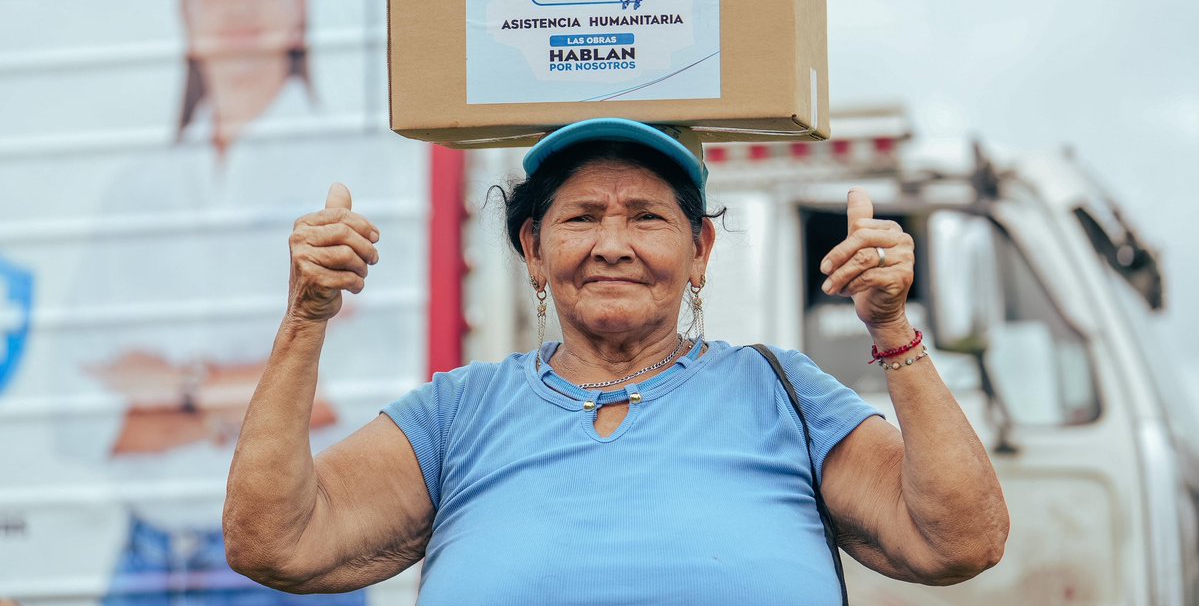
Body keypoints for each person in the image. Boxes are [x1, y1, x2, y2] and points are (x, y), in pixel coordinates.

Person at [224, 118, 1010, 604]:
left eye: (645, 216)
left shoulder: (784, 398)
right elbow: (274, 542)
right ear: (533, 251)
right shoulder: (456, 414)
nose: (611, 244)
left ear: (699, 250)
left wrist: (892, 328)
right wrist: (305, 318)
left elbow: (958, 541)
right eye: (580, 217)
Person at [60, 0, 363, 606]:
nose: (239, 1)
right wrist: (262, 393)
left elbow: (355, 398)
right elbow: (71, 415)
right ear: (184, 9)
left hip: (291, 567)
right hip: (144, 567)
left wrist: (175, 388)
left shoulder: (353, 173)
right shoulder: (136, 189)